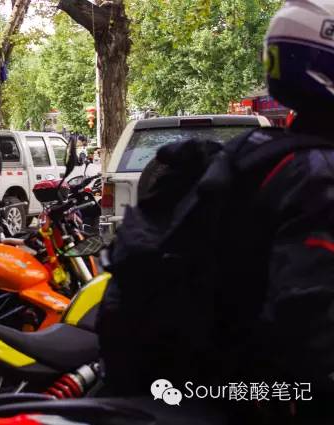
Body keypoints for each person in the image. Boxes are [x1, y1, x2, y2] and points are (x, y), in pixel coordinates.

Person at [99, 1, 334, 423]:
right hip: (258, 394)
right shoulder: (316, 171)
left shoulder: (253, 151)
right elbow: (309, 319)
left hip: (206, 375)